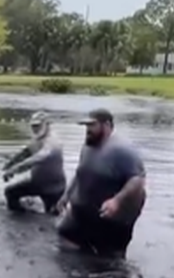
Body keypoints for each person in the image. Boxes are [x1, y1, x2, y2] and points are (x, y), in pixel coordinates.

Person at [56, 109, 147, 258]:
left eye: (92, 125)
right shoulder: (88, 146)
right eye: (86, 126)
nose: (87, 130)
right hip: (83, 213)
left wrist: (116, 201)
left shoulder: (122, 150)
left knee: (109, 260)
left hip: (111, 218)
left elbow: (138, 180)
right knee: (65, 237)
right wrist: (66, 196)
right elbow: (80, 173)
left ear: (106, 125)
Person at [1, 111, 67, 214]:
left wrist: (15, 169)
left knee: (52, 217)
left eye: (38, 126)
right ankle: (20, 220)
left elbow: (40, 157)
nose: (35, 129)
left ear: (47, 124)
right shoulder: (38, 137)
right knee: (10, 193)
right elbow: (27, 151)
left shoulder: (53, 141)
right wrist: (11, 163)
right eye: (33, 126)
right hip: (36, 183)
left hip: (54, 187)